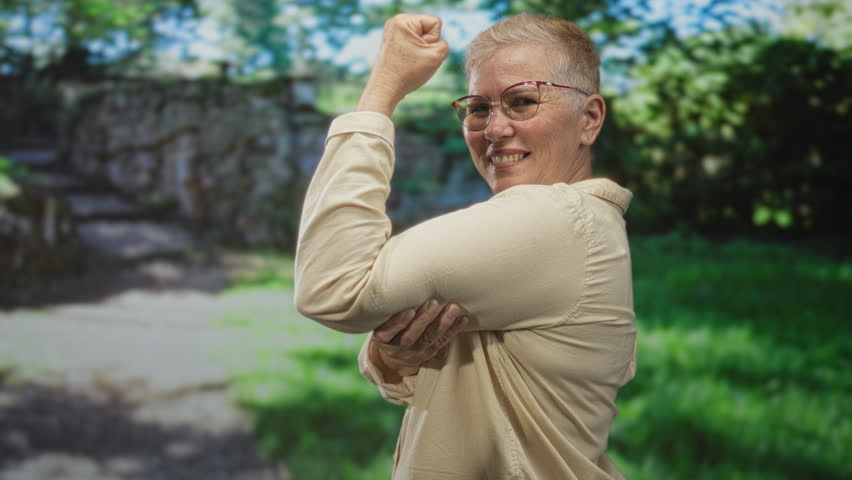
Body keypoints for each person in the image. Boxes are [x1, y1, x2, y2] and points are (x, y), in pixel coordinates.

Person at [294, 12, 636, 480]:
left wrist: (382, 90)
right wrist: (390, 357)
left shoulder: (556, 220)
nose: (493, 129)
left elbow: (332, 288)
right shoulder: (570, 228)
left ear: (589, 118)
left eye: (521, 101)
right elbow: (429, 377)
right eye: (478, 107)